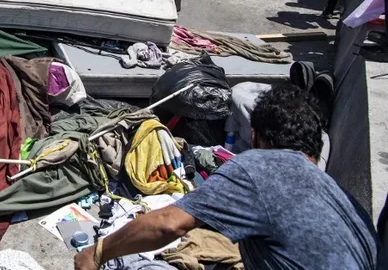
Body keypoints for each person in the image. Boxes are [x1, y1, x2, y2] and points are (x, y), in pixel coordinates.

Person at [74, 84, 379, 270]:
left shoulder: (259, 167)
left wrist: (98, 252)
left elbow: (168, 224)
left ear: (256, 136)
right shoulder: (342, 199)